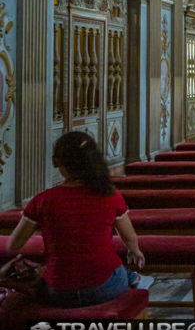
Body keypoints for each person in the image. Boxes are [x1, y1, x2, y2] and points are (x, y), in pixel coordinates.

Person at [6, 131, 151, 307]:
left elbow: (13, 244)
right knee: (120, 270)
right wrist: (135, 251)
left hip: (58, 292)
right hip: (103, 288)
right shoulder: (109, 195)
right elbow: (129, 237)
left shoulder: (42, 200)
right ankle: (134, 278)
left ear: (58, 163)